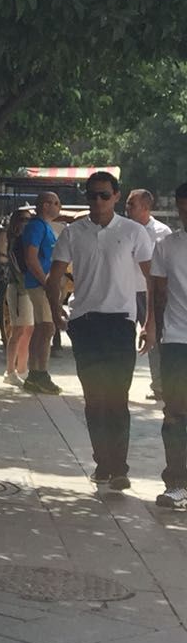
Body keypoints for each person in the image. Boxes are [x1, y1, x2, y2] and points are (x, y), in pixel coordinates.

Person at [46, 170, 156, 492]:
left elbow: (152, 280)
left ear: (116, 197)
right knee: (94, 398)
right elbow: (55, 277)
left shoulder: (134, 232)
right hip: (86, 322)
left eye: (104, 195)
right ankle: (103, 463)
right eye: (92, 195)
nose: (98, 201)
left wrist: (150, 323)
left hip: (121, 322)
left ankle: (118, 467)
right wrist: (55, 312)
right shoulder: (73, 232)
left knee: (118, 397)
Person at [148, 182, 187, 510]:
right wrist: (158, 334)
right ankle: (176, 482)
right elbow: (158, 295)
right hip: (177, 340)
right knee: (174, 413)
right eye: (183, 209)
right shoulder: (166, 246)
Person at [126, 188, 173, 400]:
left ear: (146, 207)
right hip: (125, 291)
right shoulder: (123, 230)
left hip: (149, 292)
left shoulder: (162, 232)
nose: (127, 209)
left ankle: (160, 385)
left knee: (154, 338)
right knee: (124, 338)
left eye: (132, 205)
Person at [22, 190, 64, 393]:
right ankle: (39, 374)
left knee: (43, 328)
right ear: (45, 205)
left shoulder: (45, 226)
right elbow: (31, 258)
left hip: (44, 284)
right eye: (56, 203)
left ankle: (35, 374)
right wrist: (46, 282)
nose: (59, 207)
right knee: (47, 328)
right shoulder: (36, 227)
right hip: (39, 285)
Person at [1, 206, 35, 386]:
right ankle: (10, 371)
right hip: (19, 289)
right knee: (18, 330)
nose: (26, 223)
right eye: (23, 219)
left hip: (26, 289)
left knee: (27, 330)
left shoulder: (24, 240)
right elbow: (20, 269)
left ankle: (22, 368)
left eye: (29, 220)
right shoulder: (15, 242)